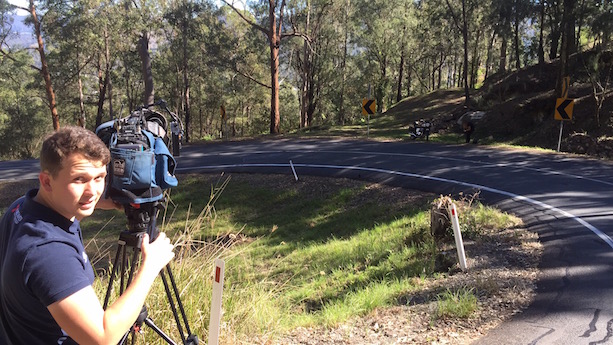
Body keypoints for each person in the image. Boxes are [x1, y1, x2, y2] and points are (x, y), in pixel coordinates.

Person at [0, 126, 175, 344]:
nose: (93, 191)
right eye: (80, 179)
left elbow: (55, 217)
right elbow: (102, 337)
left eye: (100, 177)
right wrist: (150, 267)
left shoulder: (21, 210)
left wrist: (97, 203)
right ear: (46, 181)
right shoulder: (49, 253)